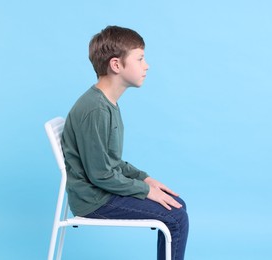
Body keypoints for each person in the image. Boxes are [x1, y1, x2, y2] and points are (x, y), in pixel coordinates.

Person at [61, 25, 189, 260]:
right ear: (116, 65)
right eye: (140, 58)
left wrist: (145, 179)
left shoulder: (107, 103)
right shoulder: (96, 110)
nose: (146, 65)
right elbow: (101, 175)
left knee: (176, 205)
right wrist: (145, 191)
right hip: (93, 200)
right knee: (176, 215)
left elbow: (111, 161)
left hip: (100, 191)